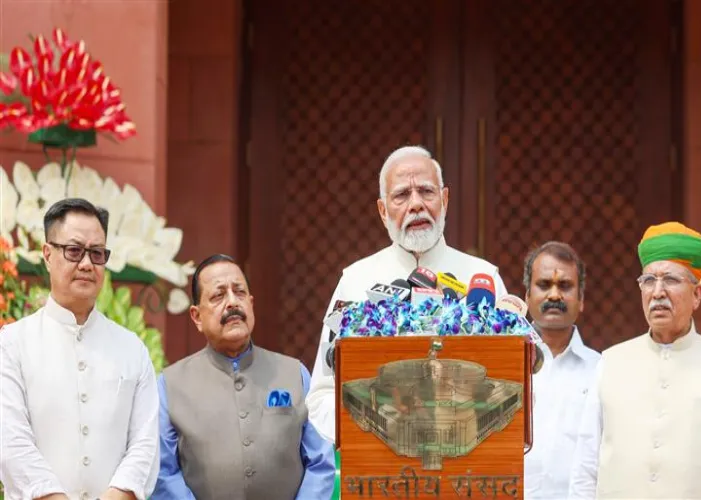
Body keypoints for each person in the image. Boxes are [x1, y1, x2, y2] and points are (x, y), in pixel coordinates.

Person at [306, 145, 509, 443]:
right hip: (380, 469)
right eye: (401, 195)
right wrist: (371, 425)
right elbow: (322, 394)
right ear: (382, 210)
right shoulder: (355, 281)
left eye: (426, 191)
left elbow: (513, 386)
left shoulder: (482, 279)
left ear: (445, 199)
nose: (416, 204)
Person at [568, 221, 701, 499]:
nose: (657, 292)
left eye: (671, 280)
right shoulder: (610, 363)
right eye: (649, 280)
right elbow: (585, 468)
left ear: (697, 294)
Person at [0, 198, 159, 500]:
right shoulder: (12, 344)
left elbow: (145, 444)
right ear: (47, 254)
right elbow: (10, 442)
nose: (86, 264)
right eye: (73, 251)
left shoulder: (132, 349)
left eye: (97, 253)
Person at [152, 254, 335, 500]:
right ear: (197, 317)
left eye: (239, 292)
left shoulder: (294, 373)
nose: (232, 303)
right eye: (218, 295)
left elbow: (320, 463)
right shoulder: (170, 385)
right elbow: (163, 472)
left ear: (251, 303)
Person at [521, 242, 600, 499]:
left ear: (582, 300)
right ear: (526, 296)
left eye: (565, 286)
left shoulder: (601, 370)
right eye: (544, 285)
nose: (554, 295)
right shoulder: (507, 363)